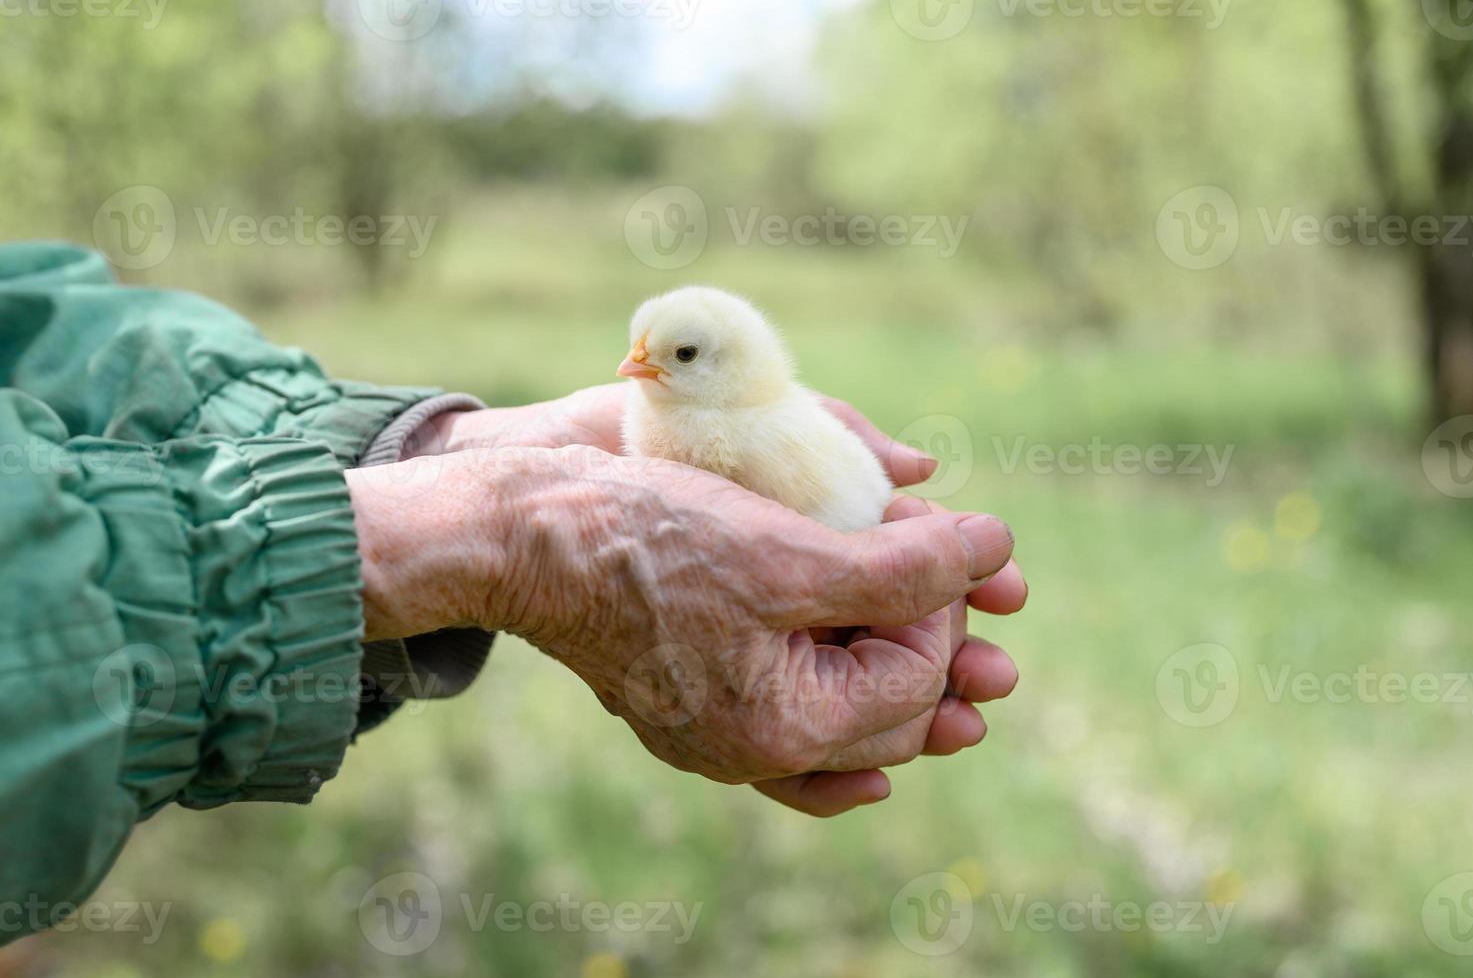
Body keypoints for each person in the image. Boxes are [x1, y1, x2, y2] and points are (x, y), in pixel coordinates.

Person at [0, 242, 1026, 945]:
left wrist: (432, 453)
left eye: (667, 355)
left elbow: (31, 322)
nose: (634, 370)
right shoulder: (700, 409)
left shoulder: (734, 417)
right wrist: (499, 530)